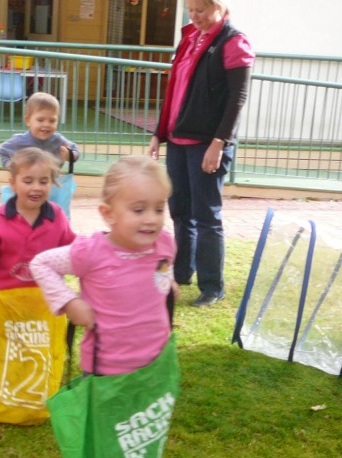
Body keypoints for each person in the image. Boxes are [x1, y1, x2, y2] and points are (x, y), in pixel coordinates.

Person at [148, 0, 255, 307]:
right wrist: (159, 132)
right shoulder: (189, 38)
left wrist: (219, 142)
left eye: (202, 10)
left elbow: (237, 98)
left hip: (207, 144)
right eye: (191, 10)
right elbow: (175, 90)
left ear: (219, 7)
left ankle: (212, 287)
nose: (195, 17)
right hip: (178, 141)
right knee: (180, 210)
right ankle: (182, 273)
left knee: (206, 216)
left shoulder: (234, 41)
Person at [30, 156, 179, 376]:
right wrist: (69, 302)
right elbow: (41, 264)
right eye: (138, 210)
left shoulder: (164, 243)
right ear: (108, 214)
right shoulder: (91, 252)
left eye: (158, 209)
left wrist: (168, 283)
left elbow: (162, 269)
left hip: (155, 364)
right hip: (106, 370)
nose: (151, 219)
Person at [0, 147, 76, 291]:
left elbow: (71, 246)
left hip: (46, 296)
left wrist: (88, 253)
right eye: (28, 181)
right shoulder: (1, 217)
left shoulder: (57, 216)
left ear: (52, 183)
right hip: (5, 294)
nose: (36, 187)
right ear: (13, 184)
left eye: (43, 182)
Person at [0, 92, 80, 169]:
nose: (46, 125)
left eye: (52, 121)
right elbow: (3, 151)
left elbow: (75, 150)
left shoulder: (58, 140)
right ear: (27, 120)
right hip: (26, 182)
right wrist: (11, 166)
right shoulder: (19, 141)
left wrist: (69, 155)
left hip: (50, 182)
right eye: (40, 120)